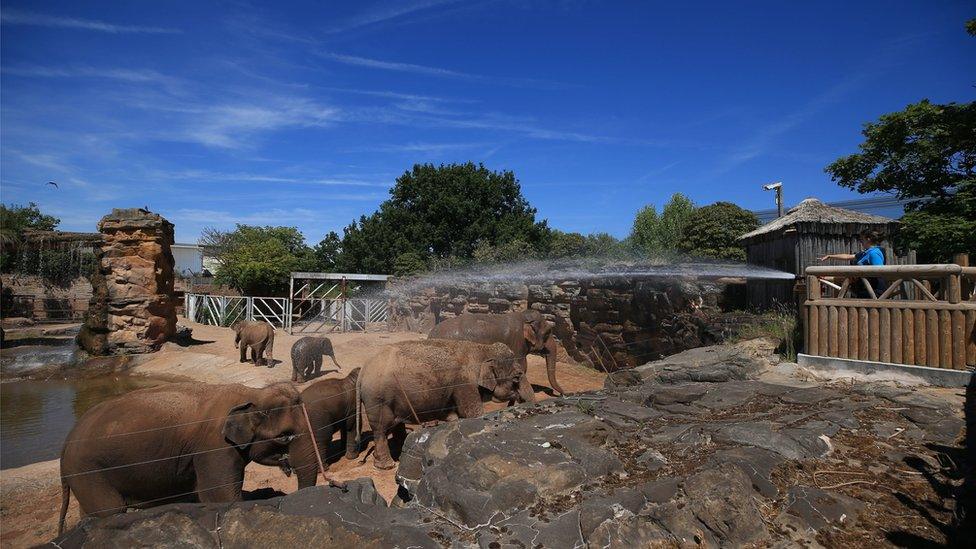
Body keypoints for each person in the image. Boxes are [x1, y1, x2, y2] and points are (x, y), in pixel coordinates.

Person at [818, 230, 886, 297]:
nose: (861, 241)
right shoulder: (865, 253)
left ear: (868, 239)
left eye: (862, 239)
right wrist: (830, 256)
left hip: (873, 291)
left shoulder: (874, 253)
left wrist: (857, 276)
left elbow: (879, 271)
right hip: (865, 289)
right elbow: (847, 256)